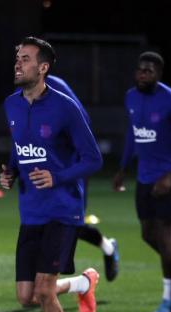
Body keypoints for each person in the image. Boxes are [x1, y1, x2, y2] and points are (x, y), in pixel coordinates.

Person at [0, 37, 102, 312]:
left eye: (25, 59)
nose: (18, 63)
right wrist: (10, 172)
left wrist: (57, 176)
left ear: (43, 68)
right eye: (17, 57)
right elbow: (18, 149)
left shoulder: (65, 108)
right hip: (30, 212)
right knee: (26, 297)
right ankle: (83, 283)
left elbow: (93, 159)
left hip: (62, 210)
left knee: (44, 291)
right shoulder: (11, 105)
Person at [112, 51, 171, 312]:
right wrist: (123, 167)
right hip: (144, 177)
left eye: (149, 71)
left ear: (159, 74)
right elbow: (133, 133)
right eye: (140, 70)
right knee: (146, 234)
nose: (143, 74)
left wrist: (170, 174)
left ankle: (167, 301)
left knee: (164, 238)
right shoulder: (131, 97)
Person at [45, 74, 120, 281]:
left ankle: (54, 284)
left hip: (71, 167)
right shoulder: (19, 94)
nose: (20, 65)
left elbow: (82, 120)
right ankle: (107, 247)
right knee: (48, 221)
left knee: (71, 222)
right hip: (45, 171)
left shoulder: (55, 86)